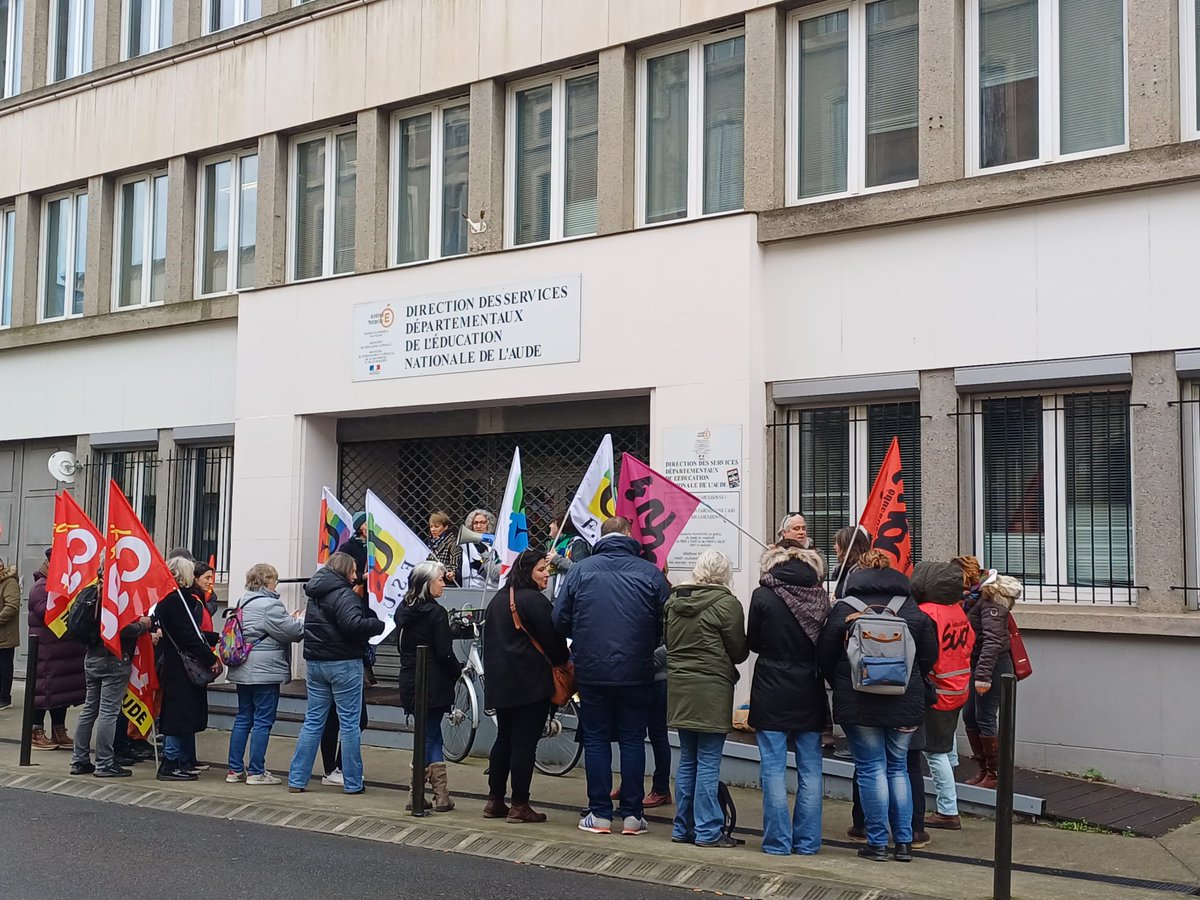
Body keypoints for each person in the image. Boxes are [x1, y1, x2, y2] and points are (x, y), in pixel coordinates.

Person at [553, 516, 670, 837]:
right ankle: (632, 816)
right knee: (634, 739)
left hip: (592, 670)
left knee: (596, 739)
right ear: (629, 536)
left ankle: (600, 814)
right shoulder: (650, 573)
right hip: (638, 670)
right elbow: (668, 622)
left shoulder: (579, 571)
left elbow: (559, 621)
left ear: (601, 537)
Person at [818, 550, 937, 863]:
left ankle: (876, 843)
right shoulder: (911, 608)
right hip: (904, 700)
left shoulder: (845, 607)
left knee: (871, 768)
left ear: (858, 573)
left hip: (859, 702)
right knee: (897, 767)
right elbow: (929, 657)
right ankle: (904, 843)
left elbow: (825, 656)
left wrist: (843, 681)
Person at [748, 545, 830, 856]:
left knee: (772, 768)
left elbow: (753, 641)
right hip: (809, 687)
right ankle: (808, 843)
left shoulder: (763, 595)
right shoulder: (821, 597)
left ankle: (777, 842)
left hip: (770, 686)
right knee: (811, 769)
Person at [664, 550, 748, 849]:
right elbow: (739, 652)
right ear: (725, 574)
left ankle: (681, 827)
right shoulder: (728, 604)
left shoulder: (673, 602)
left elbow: (668, 642)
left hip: (680, 687)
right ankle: (708, 831)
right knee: (709, 761)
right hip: (713, 687)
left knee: (687, 759)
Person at [481, 548, 570, 823]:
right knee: (524, 744)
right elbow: (556, 644)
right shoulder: (535, 601)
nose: (547, 575)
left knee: (504, 739)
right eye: (542, 569)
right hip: (530, 682)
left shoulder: (498, 599)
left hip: (501, 682)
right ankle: (520, 805)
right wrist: (562, 661)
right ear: (528, 571)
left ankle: (495, 800)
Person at [288, 552, 384, 794]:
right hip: (344, 663)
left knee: (313, 722)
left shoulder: (315, 594)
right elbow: (354, 626)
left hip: (316, 663)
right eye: (353, 571)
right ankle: (352, 782)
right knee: (350, 724)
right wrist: (378, 624)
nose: (355, 576)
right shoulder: (344, 595)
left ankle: (297, 779)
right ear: (343, 571)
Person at [225, 563, 305, 785]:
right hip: (264, 671)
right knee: (262, 720)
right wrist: (301, 619)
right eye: (275, 579)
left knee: (243, 717)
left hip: (242, 667)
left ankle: (234, 770)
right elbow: (293, 632)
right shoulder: (270, 605)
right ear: (268, 581)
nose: (276, 583)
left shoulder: (244, 601)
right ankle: (256, 772)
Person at [912, 560, 974, 830]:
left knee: (935, 752)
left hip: (937, 691)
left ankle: (948, 811)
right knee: (947, 747)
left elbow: (922, 652)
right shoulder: (957, 611)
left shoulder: (926, 612)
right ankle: (950, 799)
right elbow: (970, 643)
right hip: (958, 687)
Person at [395, 560, 460, 812]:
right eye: (439, 580)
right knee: (429, 734)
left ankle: (436, 794)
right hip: (433, 680)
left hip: (411, 677)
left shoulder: (404, 609)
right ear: (426, 584)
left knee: (430, 734)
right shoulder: (436, 613)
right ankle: (424, 793)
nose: (443, 584)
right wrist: (457, 670)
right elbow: (444, 651)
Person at [70, 583, 153, 777]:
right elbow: (120, 628)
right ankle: (104, 763)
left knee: (90, 709)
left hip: (92, 656)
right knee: (108, 712)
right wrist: (143, 625)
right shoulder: (113, 594)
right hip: (114, 658)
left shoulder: (90, 591)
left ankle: (79, 759)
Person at [157, 556, 223, 781]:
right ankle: (170, 762)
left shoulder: (175, 600)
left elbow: (193, 634)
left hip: (176, 662)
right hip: (180, 665)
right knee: (178, 714)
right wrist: (209, 656)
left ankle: (177, 761)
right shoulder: (177, 602)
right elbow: (188, 636)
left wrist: (214, 638)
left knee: (180, 712)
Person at [963, 570, 1021, 790]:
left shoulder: (991, 602)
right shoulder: (977, 599)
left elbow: (993, 642)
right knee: (970, 715)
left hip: (992, 668)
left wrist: (983, 675)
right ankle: (983, 768)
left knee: (985, 717)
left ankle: (994, 773)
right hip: (978, 666)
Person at [28, 549, 87, 751]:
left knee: (62, 692)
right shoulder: (41, 587)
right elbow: (46, 612)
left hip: (65, 650)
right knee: (41, 692)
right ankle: (36, 731)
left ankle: (58, 729)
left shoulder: (68, 586)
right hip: (46, 652)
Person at [459, 509, 499, 590]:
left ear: (488, 524)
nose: (478, 526)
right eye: (475, 523)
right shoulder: (464, 544)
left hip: (489, 590)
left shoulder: (496, 543)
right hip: (467, 590)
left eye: (482, 523)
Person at [0, 559, 20, 711]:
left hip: (5, 637)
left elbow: (11, 607)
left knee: (4, 668)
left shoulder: (9, 583)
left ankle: (4, 698)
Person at [427, 510, 460, 585]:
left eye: (436, 526)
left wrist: (441, 569)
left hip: (445, 585)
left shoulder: (452, 543)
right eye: (431, 526)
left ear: (445, 527)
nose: (433, 529)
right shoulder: (431, 543)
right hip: (432, 583)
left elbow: (455, 568)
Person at [338, 512, 369, 583]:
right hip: (356, 588)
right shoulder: (347, 547)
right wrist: (362, 577)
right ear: (360, 528)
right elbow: (343, 570)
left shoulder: (375, 546)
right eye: (366, 524)